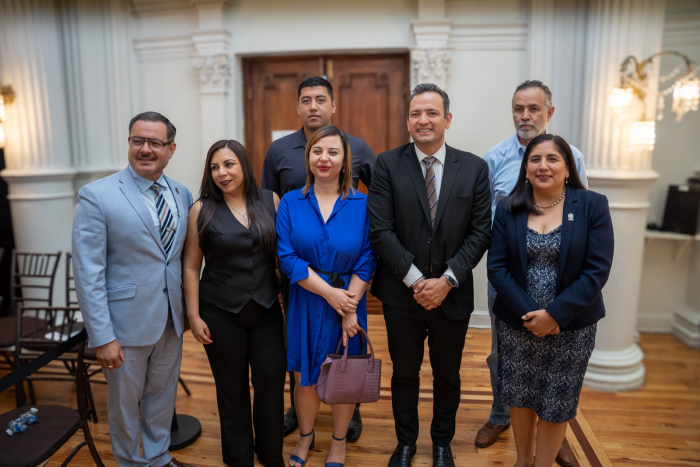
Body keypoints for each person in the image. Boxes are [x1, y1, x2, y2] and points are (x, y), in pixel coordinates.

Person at [368, 83, 491, 467]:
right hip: (401, 295)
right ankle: (405, 443)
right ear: (407, 121)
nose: (424, 120)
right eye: (416, 114)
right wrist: (418, 282)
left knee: (447, 375)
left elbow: (480, 232)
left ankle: (441, 444)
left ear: (447, 119)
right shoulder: (387, 164)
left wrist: (447, 281)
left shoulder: (474, 168)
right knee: (404, 374)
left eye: (432, 113)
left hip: (452, 294)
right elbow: (380, 230)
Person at [72, 111, 194, 467]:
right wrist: (102, 337)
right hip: (124, 326)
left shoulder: (182, 194)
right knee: (125, 406)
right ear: (129, 143)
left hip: (171, 320)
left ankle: (159, 457)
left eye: (155, 142)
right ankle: (129, 463)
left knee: (161, 397)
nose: (145, 149)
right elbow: (88, 273)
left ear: (171, 149)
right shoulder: (97, 195)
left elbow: (180, 260)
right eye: (137, 140)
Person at [487, 134, 613, 467]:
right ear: (525, 169)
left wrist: (554, 315)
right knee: (519, 395)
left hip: (572, 327)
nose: (543, 166)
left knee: (558, 400)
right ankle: (522, 462)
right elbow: (497, 268)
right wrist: (532, 314)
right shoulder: (508, 208)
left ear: (568, 168)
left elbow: (596, 271)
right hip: (518, 324)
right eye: (535, 159)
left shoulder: (592, 205)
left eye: (552, 159)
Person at [479, 80, 588, 467]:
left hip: (561, 286)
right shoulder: (495, 158)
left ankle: (554, 434)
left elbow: (581, 216)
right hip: (507, 283)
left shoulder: (572, 156)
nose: (525, 116)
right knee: (504, 357)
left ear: (549, 112)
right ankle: (500, 416)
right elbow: (484, 220)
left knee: (558, 366)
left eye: (534, 109)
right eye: (518, 109)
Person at [263, 76, 376, 440]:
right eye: (306, 100)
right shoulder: (280, 157)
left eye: (320, 99)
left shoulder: (360, 162)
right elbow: (269, 209)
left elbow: (370, 246)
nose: (324, 159)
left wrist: (348, 302)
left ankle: (344, 422)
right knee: (301, 364)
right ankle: (301, 420)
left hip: (349, 288)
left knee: (346, 357)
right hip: (302, 285)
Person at [182, 140, 286, 467]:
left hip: (267, 310)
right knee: (231, 388)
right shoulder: (201, 209)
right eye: (214, 167)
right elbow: (191, 266)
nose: (221, 173)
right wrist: (193, 315)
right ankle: (239, 457)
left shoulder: (270, 200)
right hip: (220, 311)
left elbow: (282, 256)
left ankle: (270, 453)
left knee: (271, 382)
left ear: (243, 165)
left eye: (228, 164)